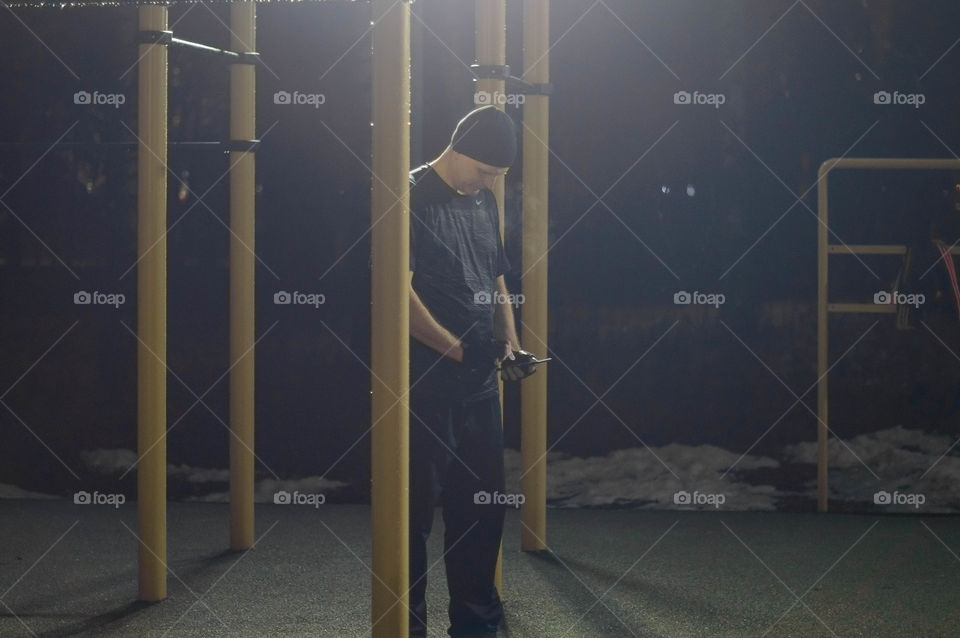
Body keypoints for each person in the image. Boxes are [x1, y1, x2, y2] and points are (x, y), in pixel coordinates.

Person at [407, 105, 523, 638]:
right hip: (419, 389)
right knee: (409, 523)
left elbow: (496, 276)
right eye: (485, 171)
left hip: (478, 389)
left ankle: (477, 632)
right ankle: (403, 629)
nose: (490, 183)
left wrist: (511, 343)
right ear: (456, 151)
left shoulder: (482, 199)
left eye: (498, 176)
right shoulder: (406, 195)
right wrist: (459, 351)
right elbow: (395, 295)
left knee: (481, 515)